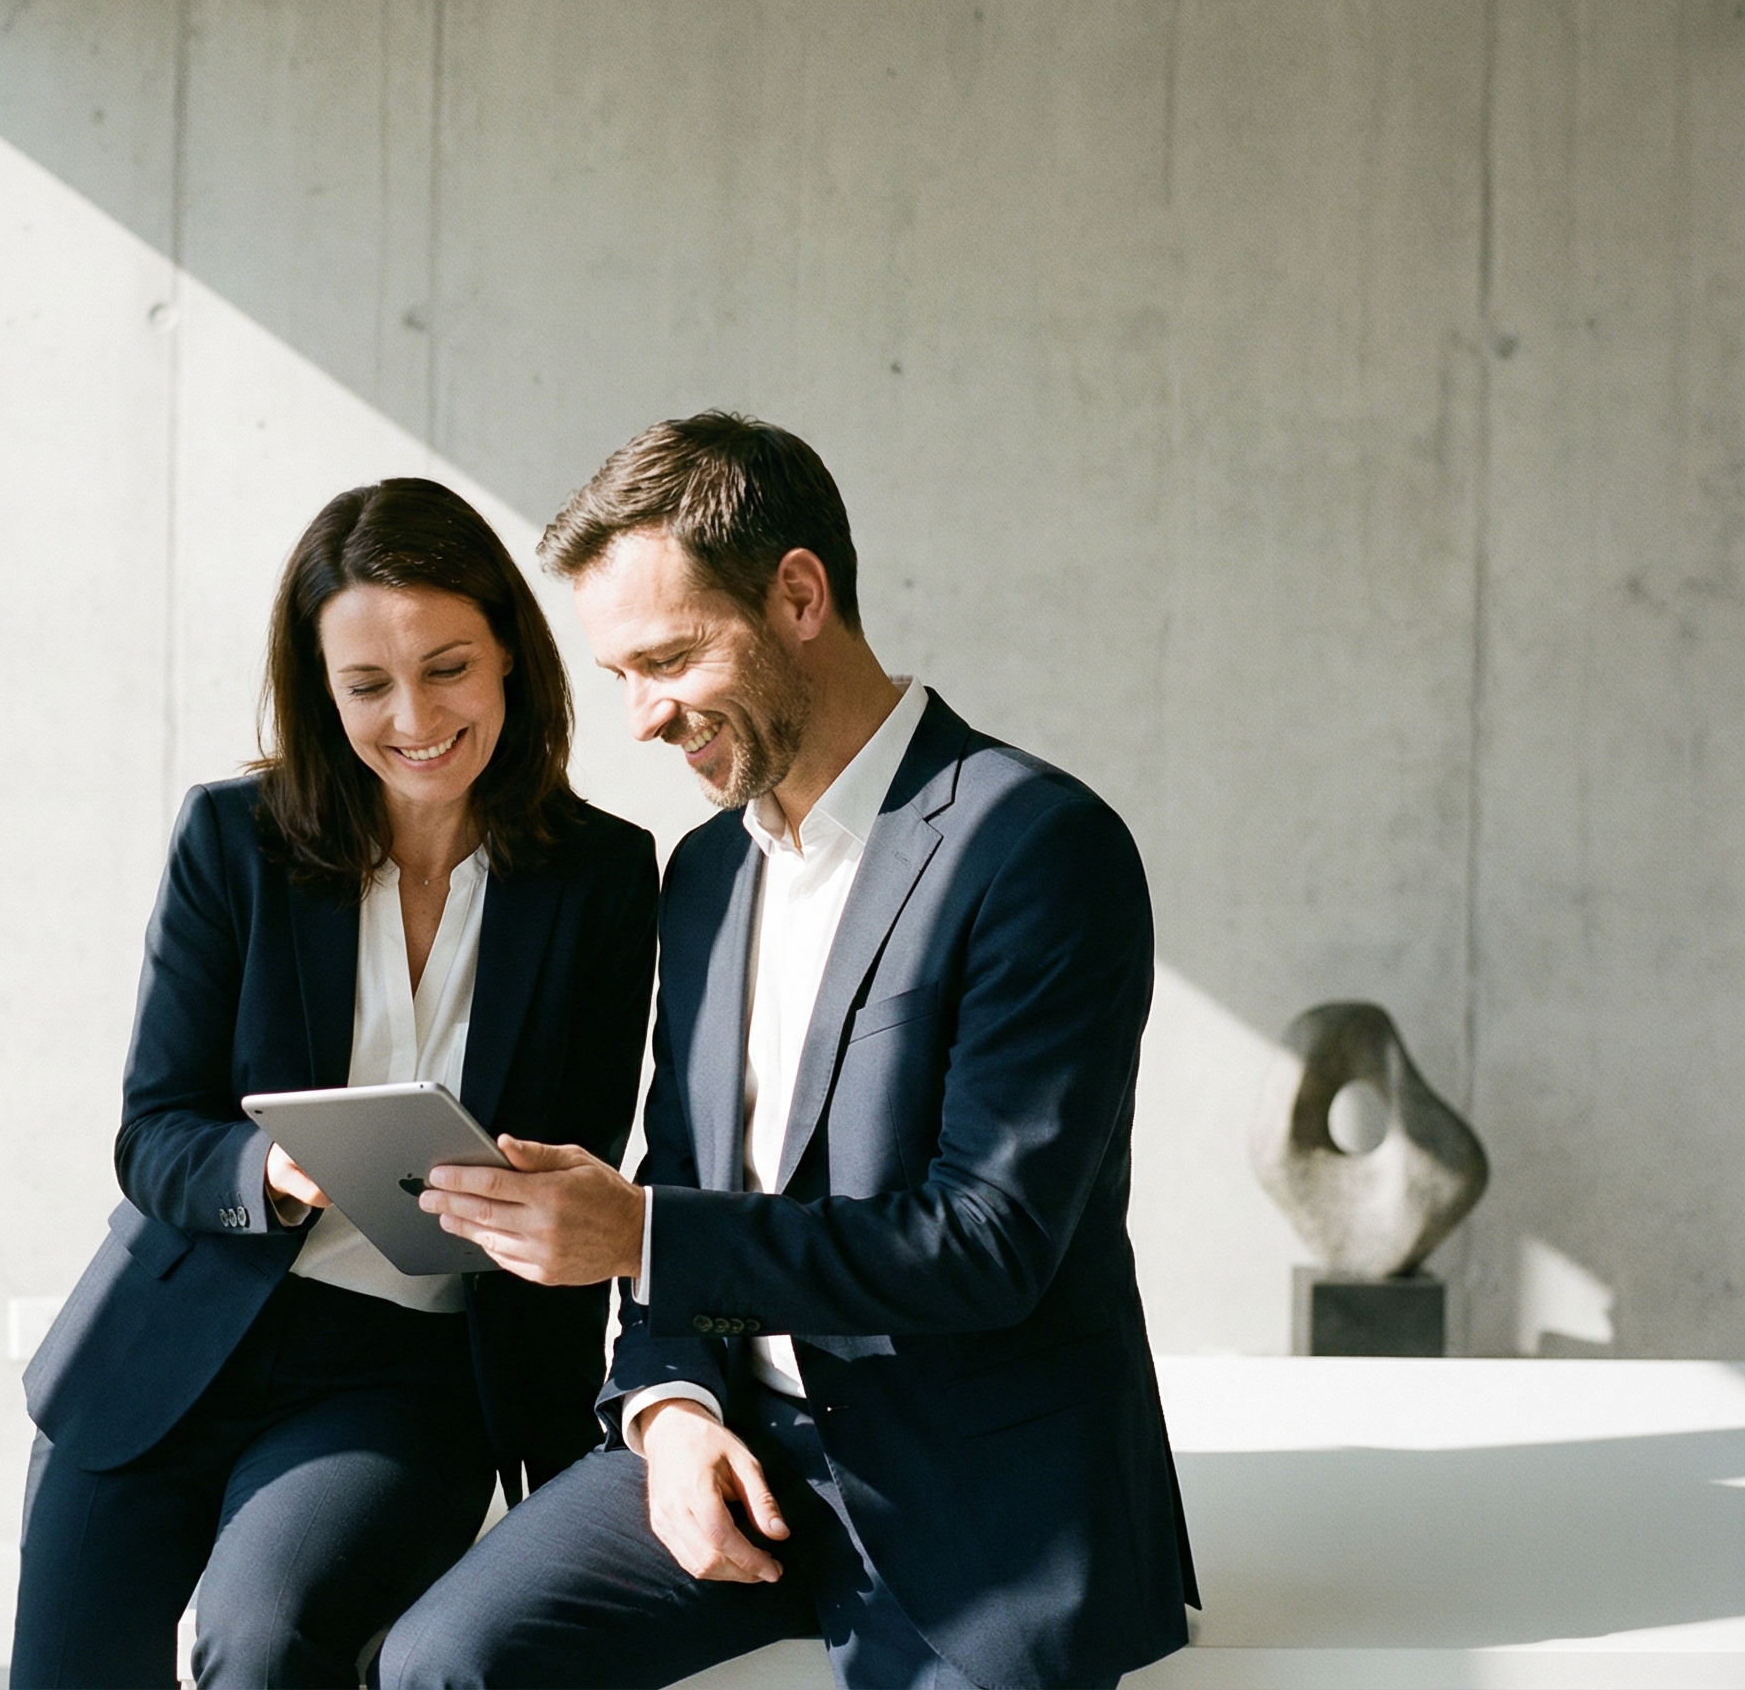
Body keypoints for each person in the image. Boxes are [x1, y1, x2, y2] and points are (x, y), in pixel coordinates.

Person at [379, 416, 1198, 1690]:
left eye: (670, 658)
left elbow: (990, 1246)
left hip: (980, 1490)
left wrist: (642, 1236)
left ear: (799, 594)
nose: (644, 717)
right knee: (438, 1662)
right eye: (622, 677)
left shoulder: (1037, 846)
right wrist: (672, 1413)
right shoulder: (706, 873)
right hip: (744, 1444)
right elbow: (689, 1165)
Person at [10, 478, 658, 1689]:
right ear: (324, 692)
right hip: (165, 1346)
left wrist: (576, 1433)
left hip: (400, 1375)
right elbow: (152, 1132)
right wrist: (270, 1169)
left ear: (512, 651)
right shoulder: (233, 840)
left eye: (449, 666)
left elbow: (581, 1165)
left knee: (259, 1646)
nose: (414, 714)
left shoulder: (605, 879)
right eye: (368, 685)